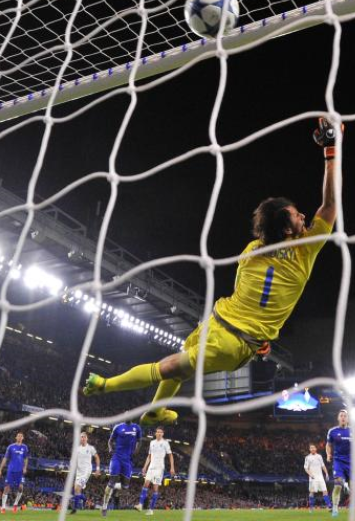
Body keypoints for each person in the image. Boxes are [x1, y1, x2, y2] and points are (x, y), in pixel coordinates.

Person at [83, 118, 341, 426]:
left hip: (218, 319)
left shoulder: (251, 251)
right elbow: (329, 206)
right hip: (232, 344)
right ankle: (105, 384)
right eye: (298, 216)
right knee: (170, 367)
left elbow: (247, 291)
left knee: (180, 368)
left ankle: (154, 412)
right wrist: (331, 150)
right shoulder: (304, 251)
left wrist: (260, 333)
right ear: (287, 230)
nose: (304, 216)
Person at [102, 420, 142, 516]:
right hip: (117, 457)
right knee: (112, 481)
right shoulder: (118, 427)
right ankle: (104, 507)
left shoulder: (137, 428)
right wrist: (110, 448)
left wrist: (136, 450)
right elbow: (110, 441)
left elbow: (140, 440)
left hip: (128, 460)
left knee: (125, 487)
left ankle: (112, 487)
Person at [135, 427, 175, 516]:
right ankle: (140, 505)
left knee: (155, 488)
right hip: (151, 467)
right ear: (155, 433)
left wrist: (172, 467)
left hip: (159, 468)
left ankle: (151, 510)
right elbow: (149, 456)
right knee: (145, 484)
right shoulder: (152, 442)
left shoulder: (165, 443)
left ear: (163, 434)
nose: (159, 433)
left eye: (161, 432)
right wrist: (145, 466)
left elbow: (170, 456)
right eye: (158, 432)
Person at [326, 409, 351, 517]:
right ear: (338, 418)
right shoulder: (332, 431)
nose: (343, 417)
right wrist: (328, 454)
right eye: (341, 415)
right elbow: (328, 445)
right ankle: (335, 508)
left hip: (350, 462)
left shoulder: (353, 431)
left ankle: (346, 484)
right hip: (338, 461)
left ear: (347, 418)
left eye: (345, 416)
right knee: (337, 485)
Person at [0, 431, 29, 513]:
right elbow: (5, 458)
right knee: (6, 488)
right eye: (18, 436)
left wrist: (25, 467)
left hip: (20, 471)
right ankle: (3, 507)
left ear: (23, 438)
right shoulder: (11, 447)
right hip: (11, 471)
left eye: (21, 436)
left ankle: (15, 504)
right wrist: (0, 469)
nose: (19, 437)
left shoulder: (25, 447)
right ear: (16, 437)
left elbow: (26, 458)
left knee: (21, 488)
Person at [70, 431, 100, 514]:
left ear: (87, 438)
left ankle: (74, 509)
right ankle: (86, 500)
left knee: (77, 489)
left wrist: (97, 469)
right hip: (79, 472)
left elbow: (97, 457)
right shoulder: (77, 449)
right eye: (81, 437)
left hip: (86, 471)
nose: (83, 438)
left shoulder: (90, 448)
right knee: (76, 491)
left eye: (84, 437)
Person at [304, 443, 331, 512]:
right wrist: (310, 475)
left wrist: (326, 473)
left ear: (316, 449)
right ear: (309, 449)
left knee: (325, 491)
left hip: (320, 477)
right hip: (313, 478)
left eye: (313, 448)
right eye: (311, 448)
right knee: (312, 492)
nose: (312, 449)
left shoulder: (319, 456)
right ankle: (311, 507)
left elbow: (323, 465)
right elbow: (306, 468)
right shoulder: (307, 457)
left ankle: (329, 506)